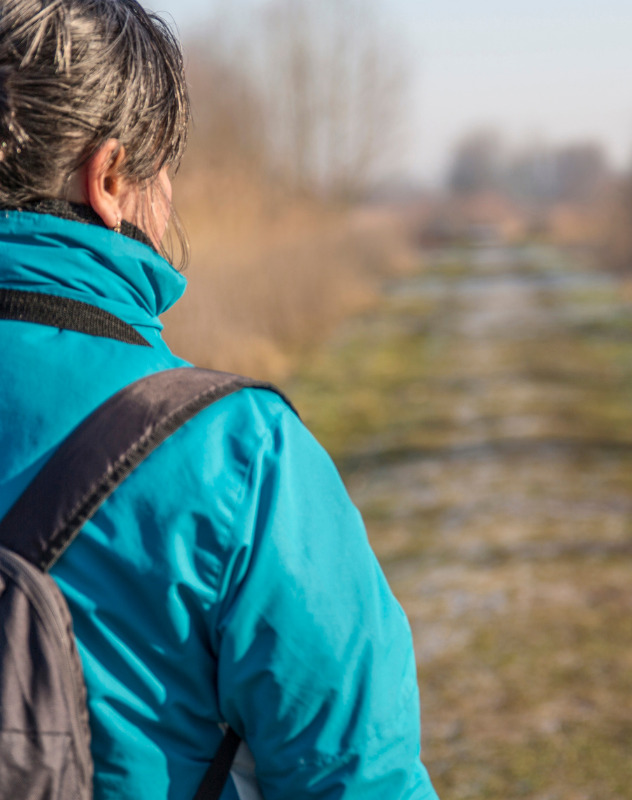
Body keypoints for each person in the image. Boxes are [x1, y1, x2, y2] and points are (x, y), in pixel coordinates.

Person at [0, 1, 439, 798]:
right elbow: (357, 778)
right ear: (109, 179)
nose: (168, 196)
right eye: (162, 169)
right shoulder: (235, 455)